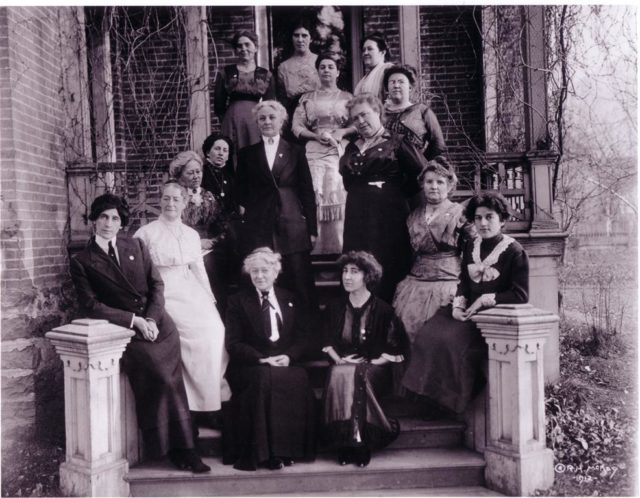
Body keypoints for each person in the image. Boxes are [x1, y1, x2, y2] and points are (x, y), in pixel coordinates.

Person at [69, 193, 209, 473]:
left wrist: (152, 318)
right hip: (125, 331)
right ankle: (181, 448)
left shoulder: (136, 245)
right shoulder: (82, 260)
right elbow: (91, 305)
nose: (109, 223)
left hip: (159, 325)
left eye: (115, 218)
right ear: (94, 221)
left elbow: (156, 286)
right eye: (104, 217)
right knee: (160, 376)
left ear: (122, 223)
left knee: (172, 377)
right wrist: (134, 321)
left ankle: (183, 443)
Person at [402, 192, 529, 415]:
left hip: (491, 313)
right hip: (467, 308)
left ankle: (447, 404)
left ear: (502, 220)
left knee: (450, 341)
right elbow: (463, 279)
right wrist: (458, 306)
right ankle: (425, 397)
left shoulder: (514, 251)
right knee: (428, 333)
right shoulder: (472, 244)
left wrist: (485, 299)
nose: (483, 223)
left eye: (489, 217)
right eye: (478, 218)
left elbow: (520, 294)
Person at [134, 181, 230, 430]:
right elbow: (137, 272)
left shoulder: (191, 235)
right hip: (161, 290)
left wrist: (210, 301)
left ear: (184, 203)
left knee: (214, 331)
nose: (170, 204)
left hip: (189, 287)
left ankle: (210, 403)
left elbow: (199, 270)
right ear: (160, 201)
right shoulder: (145, 233)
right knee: (187, 337)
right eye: (166, 198)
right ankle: (190, 407)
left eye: (176, 199)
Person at [223, 248, 316, 471]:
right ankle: (267, 453)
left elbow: (304, 336)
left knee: (297, 378)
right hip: (251, 364)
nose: (260, 276)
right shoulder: (237, 301)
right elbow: (233, 343)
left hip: (285, 360)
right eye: (254, 271)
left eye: (265, 270)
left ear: (276, 272)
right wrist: (262, 359)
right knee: (264, 379)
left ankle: (289, 450)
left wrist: (290, 356)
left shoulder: (290, 298)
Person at [321, 251, 408, 467]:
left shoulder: (384, 310)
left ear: (367, 276)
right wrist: (338, 359)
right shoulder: (334, 307)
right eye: (344, 271)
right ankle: (345, 442)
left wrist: (375, 361)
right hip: (342, 364)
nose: (347, 277)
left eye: (354, 272)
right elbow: (325, 340)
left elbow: (396, 345)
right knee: (341, 373)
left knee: (357, 373)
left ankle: (361, 442)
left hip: (374, 369)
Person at [339, 93, 427, 302]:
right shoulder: (352, 146)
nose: (360, 122)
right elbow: (348, 181)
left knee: (386, 263)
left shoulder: (397, 141)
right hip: (357, 214)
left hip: (388, 215)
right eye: (355, 118)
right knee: (359, 261)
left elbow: (422, 174)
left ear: (377, 112)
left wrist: (393, 190)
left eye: (364, 115)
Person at [236, 100, 318, 314]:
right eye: (262, 118)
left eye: (272, 117)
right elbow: (241, 194)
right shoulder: (247, 154)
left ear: (282, 120)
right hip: (260, 226)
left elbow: (307, 192)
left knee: (299, 283)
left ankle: (306, 339)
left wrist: (312, 228)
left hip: (292, 224)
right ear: (257, 122)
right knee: (265, 282)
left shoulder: (296, 151)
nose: (267, 121)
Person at [393, 157, 474, 343]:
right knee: (407, 330)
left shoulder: (459, 213)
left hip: (447, 281)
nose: (434, 186)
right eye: (429, 181)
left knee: (438, 335)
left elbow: (472, 249)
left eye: (440, 182)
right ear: (422, 184)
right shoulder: (413, 215)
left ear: (450, 185)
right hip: (416, 282)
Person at [291, 52, 355, 254]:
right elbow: (296, 126)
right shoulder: (307, 98)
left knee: (337, 192)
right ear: (317, 71)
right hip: (314, 150)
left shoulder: (348, 97)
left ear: (337, 72)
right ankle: (315, 248)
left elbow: (358, 124)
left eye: (330, 67)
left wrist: (342, 132)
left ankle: (339, 247)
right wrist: (314, 136)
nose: (326, 70)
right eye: (322, 67)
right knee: (314, 193)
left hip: (338, 150)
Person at [213, 30, 276, 160]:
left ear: (256, 47)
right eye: (239, 46)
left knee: (256, 154)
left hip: (255, 120)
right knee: (233, 153)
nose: (243, 49)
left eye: (247, 44)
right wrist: (227, 121)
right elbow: (219, 104)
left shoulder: (265, 74)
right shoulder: (226, 72)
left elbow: (270, 104)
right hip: (232, 120)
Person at [201, 134, 241, 314]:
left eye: (225, 150)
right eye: (217, 149)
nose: (221, 153)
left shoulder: (233, 176)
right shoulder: (201, 174)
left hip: (231, 234)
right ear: (208, 151)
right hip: (209, 233)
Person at [383, 64, 446, 161]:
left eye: (401, 82)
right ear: (387, 88)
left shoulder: (422, 111)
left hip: (414, 172)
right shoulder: (380, 114)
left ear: (410, 87)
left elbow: (438, 144)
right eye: (392, 82)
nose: (396, 85)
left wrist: (421, 162)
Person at [276, 21, 320, 132]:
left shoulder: (321, 62)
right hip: (293, 118)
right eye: (296, 35)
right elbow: (282, 101)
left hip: (319, 115)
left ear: (311, 38)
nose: (300, 40)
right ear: (291, 38)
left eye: (304, 35)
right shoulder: (283, 67)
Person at [353, 32, 394, 104]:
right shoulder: (365, 78)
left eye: (370, 49)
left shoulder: (388, 70)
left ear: (382, 52)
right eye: (363, 50)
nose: (365, 53)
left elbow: (392, 101)